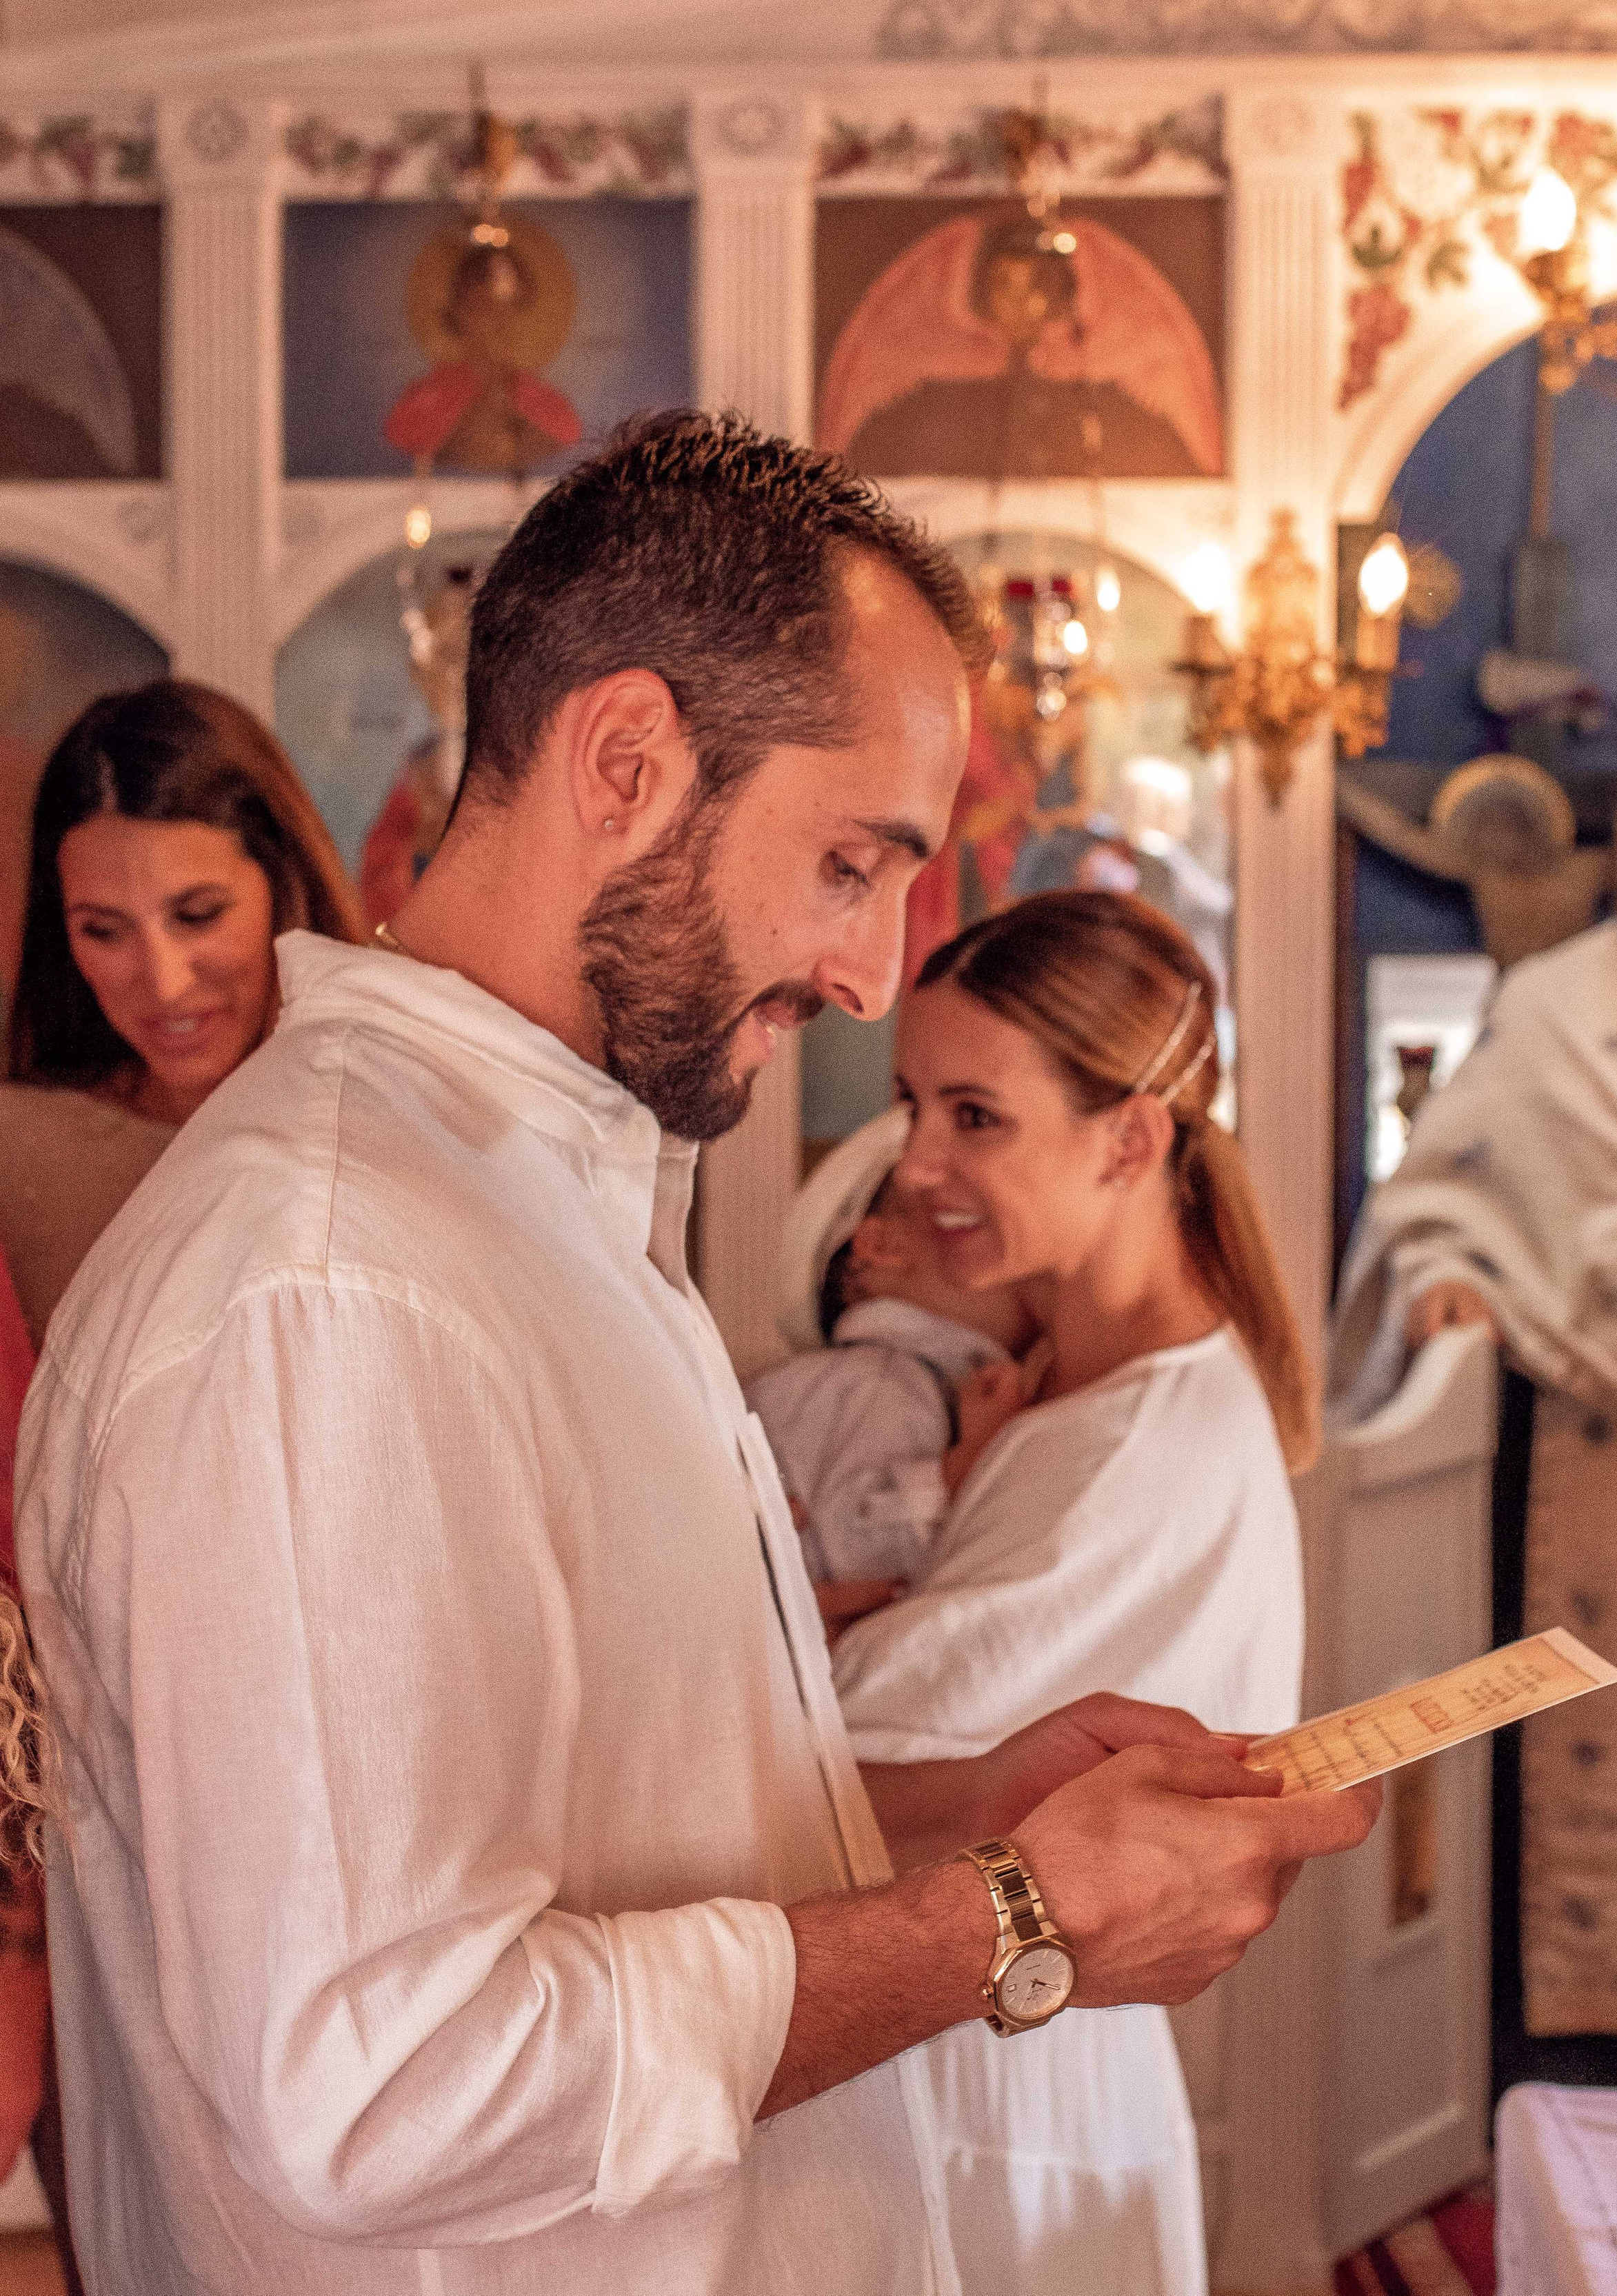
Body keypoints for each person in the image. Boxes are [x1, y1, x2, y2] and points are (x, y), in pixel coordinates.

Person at [14, 412, 1375, 2296]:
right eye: (851, 863)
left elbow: (606, 1822)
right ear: (628, 760)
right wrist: (1005, 1917)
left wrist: (961, 1806)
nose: (872, 974)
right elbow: (384, 2083)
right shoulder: (332, 1285)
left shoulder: (535, 1210)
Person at [831, 888, 1314, 2295]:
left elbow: (822, 1778)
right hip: (959, 2060)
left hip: (995, 2094)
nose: (916, 1163)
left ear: (1130, 1140)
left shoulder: (1137, 1451)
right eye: (912, 1104)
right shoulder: (1051, 1377)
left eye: (974, 1117)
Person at [1331, 738, 1617, 2092]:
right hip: (1584, 1437)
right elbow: (1439, 1194)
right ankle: (1592, 2042)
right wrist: (1446, 1278)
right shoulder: (1547, 1006)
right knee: (1586, 1720)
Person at [0, 676, 363, 2288]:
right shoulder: (26, 1151)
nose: (157, 977)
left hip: (355, 1754)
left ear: (283, 877)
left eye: (198, 913)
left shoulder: (387, 1111)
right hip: (101, 1781)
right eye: (101, 929)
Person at [746, 1103, 1038, 1613]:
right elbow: (869, 1570)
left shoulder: (884, 1385)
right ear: (882, 1244)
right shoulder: (877, 1384)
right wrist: (964, 1468)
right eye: (968, 1224)